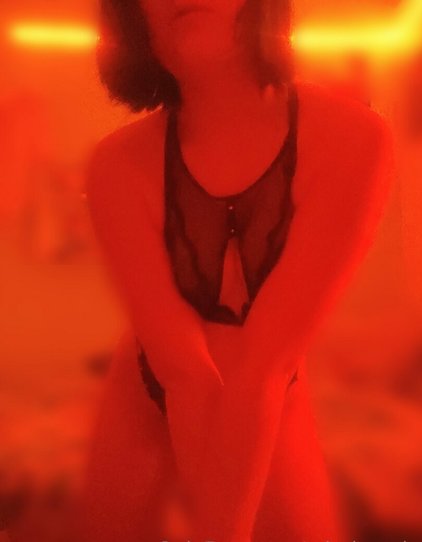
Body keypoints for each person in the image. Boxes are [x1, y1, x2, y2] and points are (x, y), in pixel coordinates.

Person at [80, 0, 393, 541]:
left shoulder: (352, 138)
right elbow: (181, 369)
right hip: (147, 381)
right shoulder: (116, 165)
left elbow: (266, 364)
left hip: (273, 377)